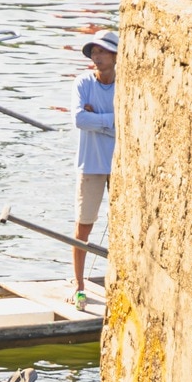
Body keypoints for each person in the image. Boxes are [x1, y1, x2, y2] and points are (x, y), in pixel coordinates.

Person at [70, 31, 114, 305]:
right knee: (83, 226)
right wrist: (110, 121)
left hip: (120, 164)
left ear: (115, 56)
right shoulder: (83, 82)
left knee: (123, 226)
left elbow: (129, 118)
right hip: (91, 163)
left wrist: (96, 117)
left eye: (102, 52)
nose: (96, 57)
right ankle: (79, 284)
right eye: (93, 53)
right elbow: (78, 119)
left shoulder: (127, 84)